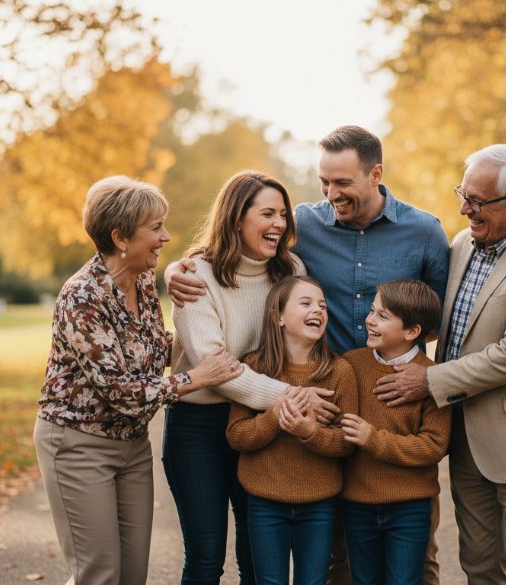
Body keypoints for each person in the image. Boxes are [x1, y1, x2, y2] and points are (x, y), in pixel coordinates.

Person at [167, 125, 451, 585]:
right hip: (305, 401)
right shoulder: (306, 231)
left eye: (342, 182)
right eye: (324, 181)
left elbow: (440, 318)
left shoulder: (422, 232)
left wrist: (429, 378)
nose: (330, 193)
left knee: (415, 557)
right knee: (329, 552)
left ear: (376, 173)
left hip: (380, 400)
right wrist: (171, 270)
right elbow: (220, 265)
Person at [374, 145, 506, 585]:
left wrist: (430, 380)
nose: (464, 208)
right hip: (468, 441)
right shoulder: (462, 244)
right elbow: (452, 332)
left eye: (477, 200)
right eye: (463, 194)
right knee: (480, 567)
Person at [33, 175, 242, 585]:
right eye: (155, 228)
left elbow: (149, 349)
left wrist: (212, 334)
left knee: (132, 576)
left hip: (131, 445)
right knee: (100, 575)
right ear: (120, 237)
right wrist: (195, 377)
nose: (166, 236)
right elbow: (119, 390)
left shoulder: (142, 280)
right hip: (78, 444)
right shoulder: (81, 296)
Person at [163, 170, 335, 585]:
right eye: (267, 213)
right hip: (198, 427)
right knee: (205, 559)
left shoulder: (290, 268)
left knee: (257, 561)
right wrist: (294, 396)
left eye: (283, 214)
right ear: (237, 218)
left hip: (259, 423)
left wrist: (285, 401)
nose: (279, 223)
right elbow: (215, 369)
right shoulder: (194, 275)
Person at [226, 276, 358, 585]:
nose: (318, 310)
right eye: (306, 303)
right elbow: (237, 435)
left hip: (319, 504)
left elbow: (346, 442)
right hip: (264, 501)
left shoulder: (339, 371)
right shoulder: (254, 368)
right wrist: (275, 415)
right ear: (278, 316)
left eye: (322, 305)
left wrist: (309, 432)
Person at [339, 280, 451, 585]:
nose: (370, 320)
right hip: (358, 503)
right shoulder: (351, 364)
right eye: (372, 311)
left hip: (409, 506)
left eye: (383, 316)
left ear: (411, 331)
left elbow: (433, 446)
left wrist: (372, 439)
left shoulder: (431, 376)